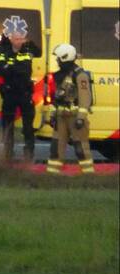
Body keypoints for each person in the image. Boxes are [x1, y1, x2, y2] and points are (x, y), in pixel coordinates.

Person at [0, 16, 39, 162]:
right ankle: (7, 154)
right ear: (11, 39)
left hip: (24, 93)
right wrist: (12, 69)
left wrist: (10, 68)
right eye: (16, 39)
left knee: (28, 127)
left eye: (21, 39)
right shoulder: (5, 54)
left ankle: (28, 155)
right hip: (10, 93)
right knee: (7, 126)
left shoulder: (26, 53)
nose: (19, 41)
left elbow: (25, 71)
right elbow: (0, 70)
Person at [46, 43, 95, 175]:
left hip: (75, 118)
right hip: (61, 118)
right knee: (56, 149)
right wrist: (52, 115)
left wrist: (80, 118)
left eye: (58, 58)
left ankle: (89, 176)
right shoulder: (58, 76)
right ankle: (51, 176)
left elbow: (85, 98)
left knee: (80, 148)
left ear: (65, 58)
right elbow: (54, 98)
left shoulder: (80, 76)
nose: (57, 61)